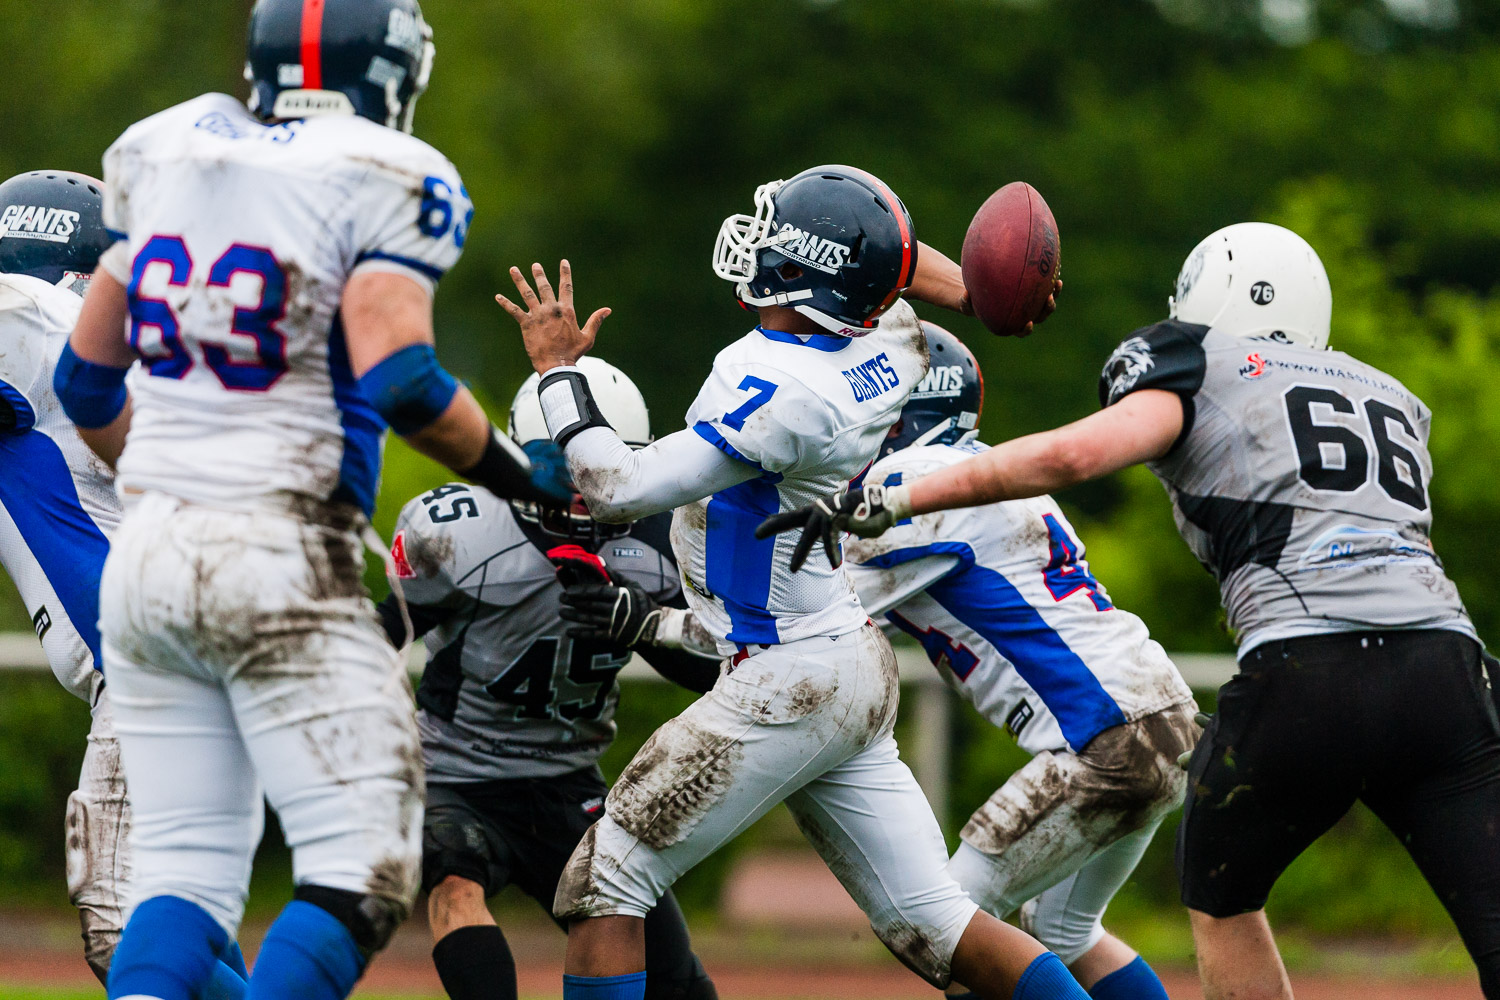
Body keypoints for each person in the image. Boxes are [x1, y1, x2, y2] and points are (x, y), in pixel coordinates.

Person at [761, 222, 1500, 999]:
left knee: (1204, 900)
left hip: (1302, 669)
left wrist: (898, 495)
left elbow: (1076, 455)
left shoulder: (1201, 360)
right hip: (1449, 668)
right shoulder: (1389, 394)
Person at [53, 2, 571, 998]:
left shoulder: (166, 148)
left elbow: (85, 383)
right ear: (390, 72)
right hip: (284, 541)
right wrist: (522, 475)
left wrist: (174, 477)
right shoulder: (382, 170)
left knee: (189, 871)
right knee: (362, 867)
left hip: (149, 552)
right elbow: (406, 382)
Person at [496, 164, 1085, 1000]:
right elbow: (896, 265)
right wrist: (992, 294)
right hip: (844, 654)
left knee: (603, 886)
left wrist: (560, 373)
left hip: (787, 679)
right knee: (939, 925)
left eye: (777, 231)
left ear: (807, 268)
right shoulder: (892, 338)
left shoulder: (782, 391)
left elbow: (614, 486)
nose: (758, 236)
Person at [569, 322, 1196, 1000]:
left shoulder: (910, 485)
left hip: (1100, 741)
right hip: (1166, 722)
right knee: (1064, 935)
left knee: (955, 932)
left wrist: (657, 622)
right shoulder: (975, 477)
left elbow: (799, 621)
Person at [381, 357, 719, 1000]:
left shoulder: (661, 537)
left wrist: (638, 622)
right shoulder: (462, 532)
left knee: (674, 978)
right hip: (458, 773)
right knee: (454, 878)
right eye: (571, 471)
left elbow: (716, 672)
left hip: (569, 776)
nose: (586, 492)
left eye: (603, 470)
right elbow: (391, 625)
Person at [0, 169, 250, 995]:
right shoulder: (123, 352)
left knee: (121, 928)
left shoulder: (29, 321)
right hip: (202, 638)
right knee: (187, 917)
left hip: (154, 654)